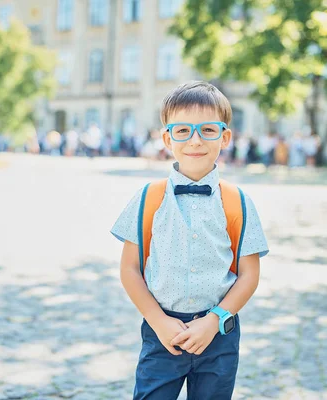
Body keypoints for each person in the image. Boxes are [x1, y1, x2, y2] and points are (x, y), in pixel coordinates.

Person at [111, 81, 269, 400]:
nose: (195, 140)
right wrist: (158, 321)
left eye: (208, 130)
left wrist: (215, 321)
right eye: (183, 130)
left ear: (225, 137)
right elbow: (129, 269)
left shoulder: (238, 202)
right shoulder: (148, 198)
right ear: (167, 138)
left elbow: (249, 274)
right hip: (163, 333)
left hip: (219, 334)